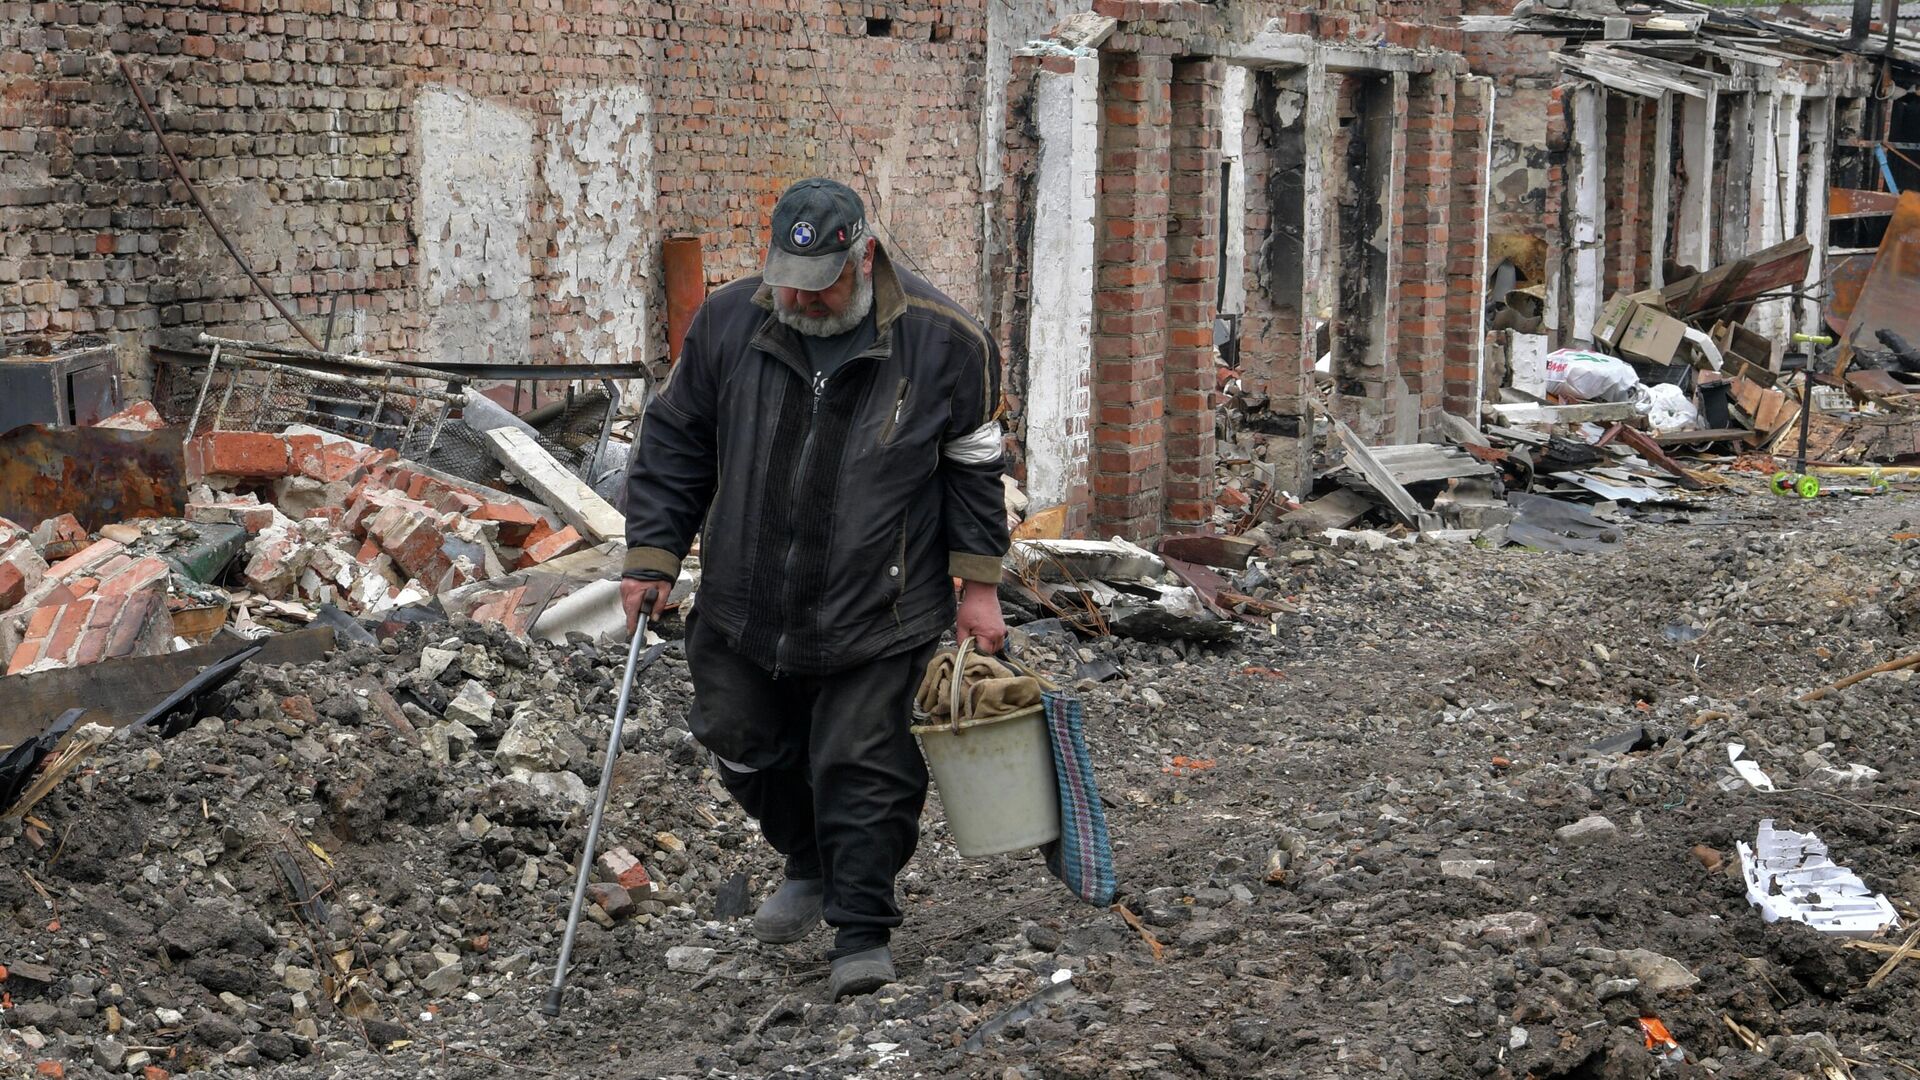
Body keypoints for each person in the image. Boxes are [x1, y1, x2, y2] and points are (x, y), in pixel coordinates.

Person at [620, 178, 1009, 999]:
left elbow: (974, 467)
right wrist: (652, 554)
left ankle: (861, 928)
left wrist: (978, 584)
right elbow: (677, 440)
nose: (798, 299)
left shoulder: (946, 343)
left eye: (820, 282)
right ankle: (808, 859)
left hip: (880, 603)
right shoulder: (732, 321)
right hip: (745, 596)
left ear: (864, 255)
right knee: (734, 735)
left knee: (862, 765)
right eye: (786, 280)